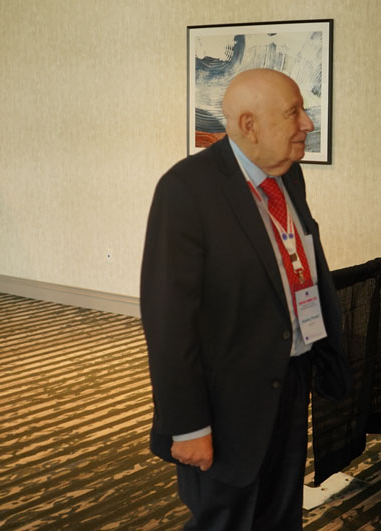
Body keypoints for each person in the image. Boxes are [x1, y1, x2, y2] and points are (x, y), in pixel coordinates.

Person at [140, 68, 353, 530]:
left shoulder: (288, 177)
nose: (308, 124)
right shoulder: (187, 189)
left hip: (288, 379)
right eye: (294, 113)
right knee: (227, 520)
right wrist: (189, 425)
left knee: (280, 515)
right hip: (225, 402)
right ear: (249, 125)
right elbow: (168, 322)